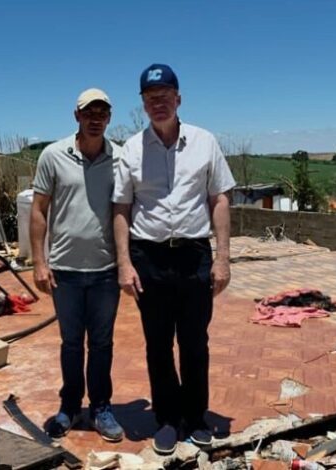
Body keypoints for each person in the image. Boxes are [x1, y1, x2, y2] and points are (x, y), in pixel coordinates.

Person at [112, 64, 236, 454]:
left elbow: (219, 199)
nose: (158, 103)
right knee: (158, 343)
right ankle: (167, 418)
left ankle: (195, 416)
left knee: (195, 341)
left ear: (178, 99)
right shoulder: (131, 149)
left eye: (165, 96)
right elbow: (121, 208)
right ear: (143, 105)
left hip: (194, 256)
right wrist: (124, 263)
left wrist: (223, 258)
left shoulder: (204, 142)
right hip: (148, 257)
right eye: (151, 98)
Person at [30, 88, 124, 442]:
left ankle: (101, 407)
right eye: (89, 113)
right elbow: (39, 210)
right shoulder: (53, 155)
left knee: (101, 344)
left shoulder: (120, 158)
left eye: (102, 113)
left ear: (109, 118)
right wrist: (39, 262)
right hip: (65, 271)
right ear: (77, 116)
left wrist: (126, 262)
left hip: (105, 271)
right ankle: (69, 407)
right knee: (71, 343)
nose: (95, 119)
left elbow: (126, 210)